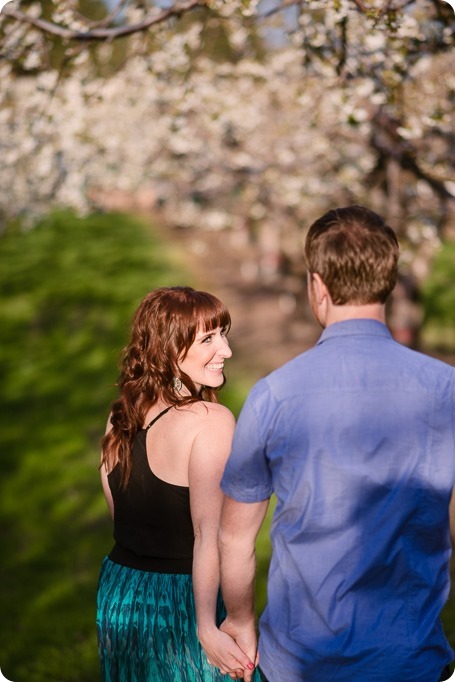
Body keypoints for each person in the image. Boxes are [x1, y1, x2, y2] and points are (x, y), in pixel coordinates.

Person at [217, 206, 455, 682]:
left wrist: (240, 621)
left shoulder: (273, 395)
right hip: (410, 659)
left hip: (299, 662)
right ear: (388, 282)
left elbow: (235, 536)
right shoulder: (446, 390)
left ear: (318, 286)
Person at [97, 286, 257, 681]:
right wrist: (206, 626)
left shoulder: (120, 416)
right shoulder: (211, 421)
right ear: (167, 349)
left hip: (119, 593)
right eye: (208, 339)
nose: (226, 350)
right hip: (181, 605)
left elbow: (119, 513)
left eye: (224, 334)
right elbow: (210, 535)